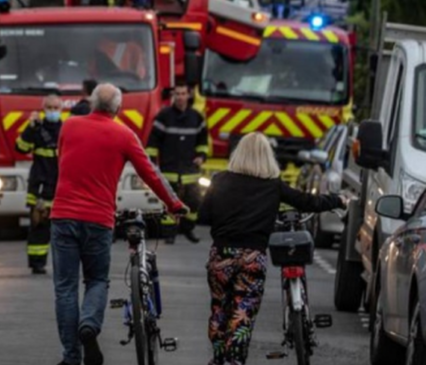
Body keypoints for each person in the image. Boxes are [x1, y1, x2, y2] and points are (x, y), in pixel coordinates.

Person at [50, 83, 188, 365]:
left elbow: (61, 157)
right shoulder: (124, 135)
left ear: (91, 103)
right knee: (97, 280)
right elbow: (150, 173)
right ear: (118, 109)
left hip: (63, 216)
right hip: (98, 220)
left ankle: (71, 356)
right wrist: (174, 204)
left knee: (65, 288)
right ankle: (89, 324)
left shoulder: (69, 126)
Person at [198, 132, 347, 365]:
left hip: (221, 257)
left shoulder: (219, 180)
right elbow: (309, 202)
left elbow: (203, 216)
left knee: (220, 309)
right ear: (268, 157)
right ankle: (233, 361)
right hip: (252, 259)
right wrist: (338, 200)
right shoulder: (273, 186)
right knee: (242, 314)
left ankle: (218, 358)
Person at [146, 83, 208, 244]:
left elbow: (203, 141)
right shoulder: (164, 116)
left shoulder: (196, 117)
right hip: (169, 168)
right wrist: (152, 163)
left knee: (194, 200)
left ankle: (188, 229)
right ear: (174, 96)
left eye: (183, 94)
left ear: (188, 96)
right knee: (169, 202)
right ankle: (169, 233)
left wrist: (201, 156)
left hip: (190, 169)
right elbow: (153, 142)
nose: (180, 97)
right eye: (177, 94)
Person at [16, 94, 63, 275]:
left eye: (55, 107)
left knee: (63, 230)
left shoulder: (65, 129)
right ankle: (37, 263)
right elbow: (21, 147)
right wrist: (30, 127)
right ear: (43, 109)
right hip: (40, 185)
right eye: (49, 107)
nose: (52, 111)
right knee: (39, 227)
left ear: (61, 109)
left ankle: (63, 264)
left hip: (60, 186)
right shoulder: (36, 128)